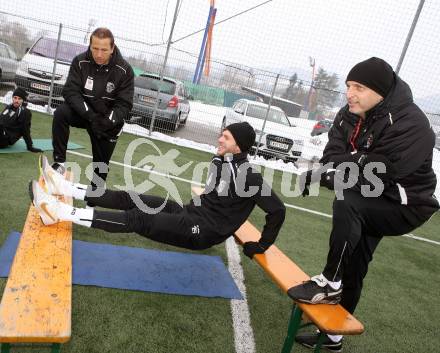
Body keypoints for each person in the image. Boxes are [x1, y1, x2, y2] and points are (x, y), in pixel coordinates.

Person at [288, 57, 439, 351]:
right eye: (347, 86)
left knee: (349, 200)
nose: (349, 93)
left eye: (358, 87)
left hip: (406, 205)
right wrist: (338, 167)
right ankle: (333, 337)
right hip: (374, 196)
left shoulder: (413, 124)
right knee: (355, 265)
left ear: (381, 92)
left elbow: (380, 170)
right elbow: (333, 155)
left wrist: (338, 170)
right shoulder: (350, 112)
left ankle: (330, 284)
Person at [31, 122, 286, 258]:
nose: (220, 139)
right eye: (222, 134)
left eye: (226, 137)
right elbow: (214, 196)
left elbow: (277, 210)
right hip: (190, 214)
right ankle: (64, 186)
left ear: (239, 146)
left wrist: (262, 245)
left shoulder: (249, 176)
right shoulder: (220, 162)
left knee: (138, 219)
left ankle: (59, 212)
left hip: (202, 232)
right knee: (131, 197)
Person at [51, 27, 134, 193]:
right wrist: (90, 116)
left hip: (107, 121)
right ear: (90, 45)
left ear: (112, 48)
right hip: (86, 114)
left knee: (101, 166)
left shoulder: (125, 70)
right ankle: (60, 162)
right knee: (61, 113)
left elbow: (124, 104)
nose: (99, 54)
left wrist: (107, 121)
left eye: (104, 49)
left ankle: (93, 200)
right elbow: (70, 92)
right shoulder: (80, 62)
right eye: (95, 48)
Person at [0, 88, 42, 152]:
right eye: (15, 97)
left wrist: (30, 146)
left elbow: (25, 130)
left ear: (23, 100)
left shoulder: (25, 112)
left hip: (6, 139)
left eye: (19, 99)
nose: (16, 100)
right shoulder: (9, 107)